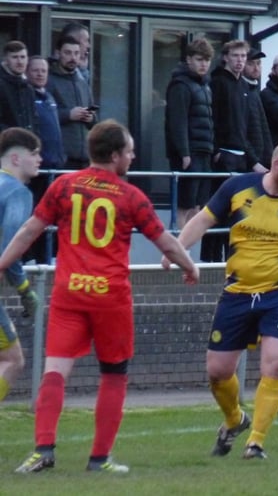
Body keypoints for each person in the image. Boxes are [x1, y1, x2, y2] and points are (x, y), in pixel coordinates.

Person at [3, 119, 199, 474]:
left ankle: (42, 450)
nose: (134, 155)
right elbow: (164, 240)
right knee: (114, 373)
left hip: (69, 293)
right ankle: (99, 458)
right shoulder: (131, 196)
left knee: (54, 371)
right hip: (110, 297)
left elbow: (29, 230)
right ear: (114, 155)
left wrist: (1, 264)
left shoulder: (63, 185)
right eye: (130, 150)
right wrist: (190, 266)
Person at [163, 141, 278, 461]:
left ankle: (255, 442)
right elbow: (203, 219)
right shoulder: (237, 187)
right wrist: (178, 249)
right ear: (277, 164)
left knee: (274, 364)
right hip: (238, 294)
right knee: (217, 371)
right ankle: (234, 419)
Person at [203, 39, 267, 262]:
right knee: (218, 208)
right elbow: (213, 119)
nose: (240, 61)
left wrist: (253, 159)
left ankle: (229, 257)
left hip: (241, 156)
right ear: (226, 57)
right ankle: (210, 258)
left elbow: (246, 127)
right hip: (224, 154)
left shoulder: (244, 86)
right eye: (236, 56)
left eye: (243, 57)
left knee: (237, 209)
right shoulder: (218, 82)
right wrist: (216, 150)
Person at [0, 127, 41, 402]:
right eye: (35, 154)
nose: (40, 159)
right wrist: (25, 289)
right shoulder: (17, 193)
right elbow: (8, 249)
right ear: (16, 159)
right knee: (13, 360)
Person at [164, 37, 214, 229]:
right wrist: (184, 152)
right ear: (189, 60)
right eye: (200, 59)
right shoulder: (180, 85)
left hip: (204, 151)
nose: (204, 64)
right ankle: (177, 249)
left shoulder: (205, 86)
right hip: (189, 153)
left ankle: (186, 251)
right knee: (184, 204)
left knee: (198, 205)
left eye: (207, 60)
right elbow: (178, 121)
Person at [25, 56, 65, 264]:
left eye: (44, 71)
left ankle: (47, 256)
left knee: (53, 216)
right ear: (28, 72)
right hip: (39, 169)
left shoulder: (49, 97)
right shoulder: (27, 96)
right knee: (37, 214)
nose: (40, 74)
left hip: (55, 166)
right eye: (36, 70)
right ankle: (32, 257)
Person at [46, 35, 96, 170]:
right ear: (58, 54)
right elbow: (42, 114)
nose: (73, 58)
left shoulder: (82, 82)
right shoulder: (49, 81)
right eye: (68, 53)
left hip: (84, 159)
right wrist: (69, 115)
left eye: (76, 53)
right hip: (62, 159)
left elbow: (94, 117)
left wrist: (90, 117)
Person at [0, 40, 37, 133]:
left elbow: (34, 121)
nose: (20, 62)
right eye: (15, 57)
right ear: (5, 59)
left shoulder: (29, 88)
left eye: (23, 57)